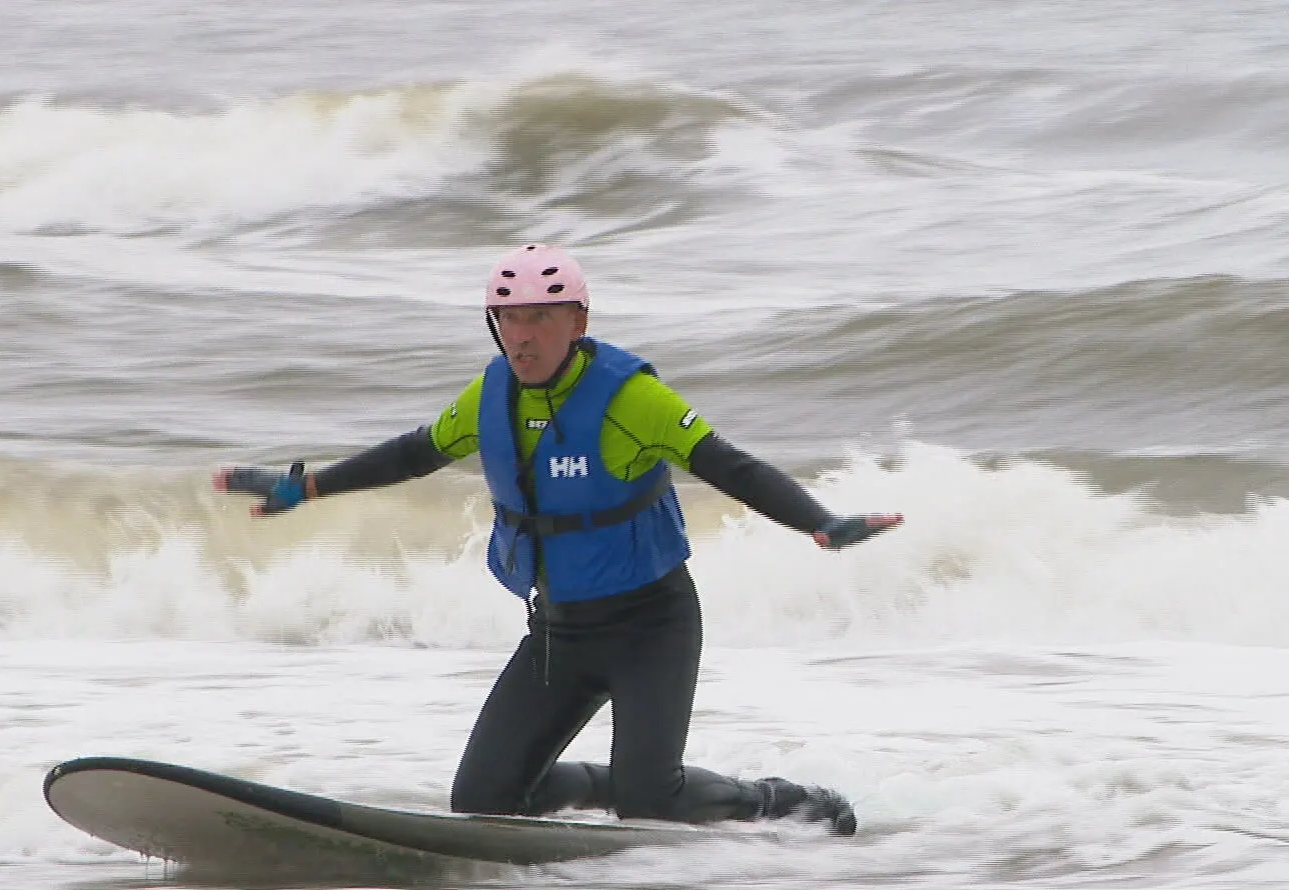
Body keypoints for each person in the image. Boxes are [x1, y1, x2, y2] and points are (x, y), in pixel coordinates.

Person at [214, 244, 901, 835]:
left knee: (649, 806)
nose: (523, 336)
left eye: (541, 317)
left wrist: (819, 520)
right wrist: (309, 487)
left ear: (578, 322)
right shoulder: (491, 396)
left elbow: (729, 464)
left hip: (650, 626)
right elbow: (413, 453)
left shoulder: (630, 397)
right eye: (509, 318)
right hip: (559, 632)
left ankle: (775, 801)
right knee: (484, 800)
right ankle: (617, 782)